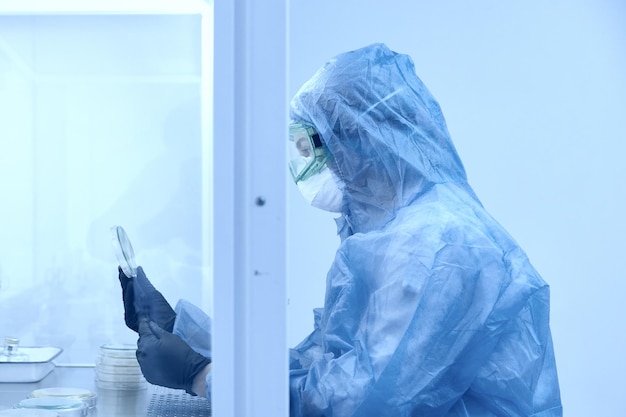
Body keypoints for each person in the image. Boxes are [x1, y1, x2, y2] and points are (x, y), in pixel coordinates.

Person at [120, 43, 563, 416]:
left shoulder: (438, 244)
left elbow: (363, 399)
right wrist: (184, 331)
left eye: (312, 146)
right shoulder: (386, 235)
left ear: (363, 139)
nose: (303, 170)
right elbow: (319, 362)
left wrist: (200, 375)